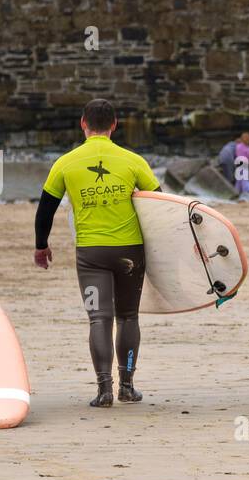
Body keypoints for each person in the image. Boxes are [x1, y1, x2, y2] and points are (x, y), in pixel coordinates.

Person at [33, 99, 161, 407]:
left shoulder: (65, 163)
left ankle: (105, 391)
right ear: (114, 125)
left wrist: (41, 245)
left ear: (83, 124)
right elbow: (160, 206)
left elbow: (45, 210)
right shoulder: (133, 161)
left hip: (91, 255)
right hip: (130, 252)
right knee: (128, 317)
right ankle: (127, 386)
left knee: (99, 319)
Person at [234, 132, 249, 199]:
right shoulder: (247, 148)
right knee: (244, 179)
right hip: (244, 164)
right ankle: (245, 193)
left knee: (239, 180)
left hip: (238, 163)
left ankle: (236, 193)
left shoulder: (238, 146)